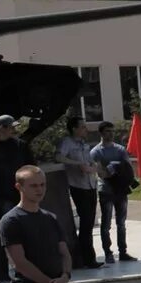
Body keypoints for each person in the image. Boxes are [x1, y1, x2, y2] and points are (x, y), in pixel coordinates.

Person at [0, 165, 70, 283]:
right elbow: (20, 262)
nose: (40, 190)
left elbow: (64, 252)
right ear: (19, 187)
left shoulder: (50, 218)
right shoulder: (11, 221)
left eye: (42, 185)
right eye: (33, 186)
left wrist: (64, 277)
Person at [88, 121, 136, 264]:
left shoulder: (120, 149)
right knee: (106, 224)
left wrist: (112, 169)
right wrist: (112, 169)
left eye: (112, 131)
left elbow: (128, 169)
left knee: (121, 223)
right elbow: (102, 173)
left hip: (121, 189)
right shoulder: (96, 152)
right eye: (108, 131)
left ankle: (123, 252)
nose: (111, 133)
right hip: (106, 190)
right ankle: (108, 253)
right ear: (101, 133)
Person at [57, 115, 100, 268]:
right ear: (74, 128)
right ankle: (88, 259)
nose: (85, 129)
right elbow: (59, 157)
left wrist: (93, 167)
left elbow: (89, 161)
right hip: (78, 186)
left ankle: (88, 258)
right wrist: (77, 164)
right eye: (82, 126)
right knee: (86, 222)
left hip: (90, 185)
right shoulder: (67, 143)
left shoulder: (84, 144)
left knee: (90, 223)